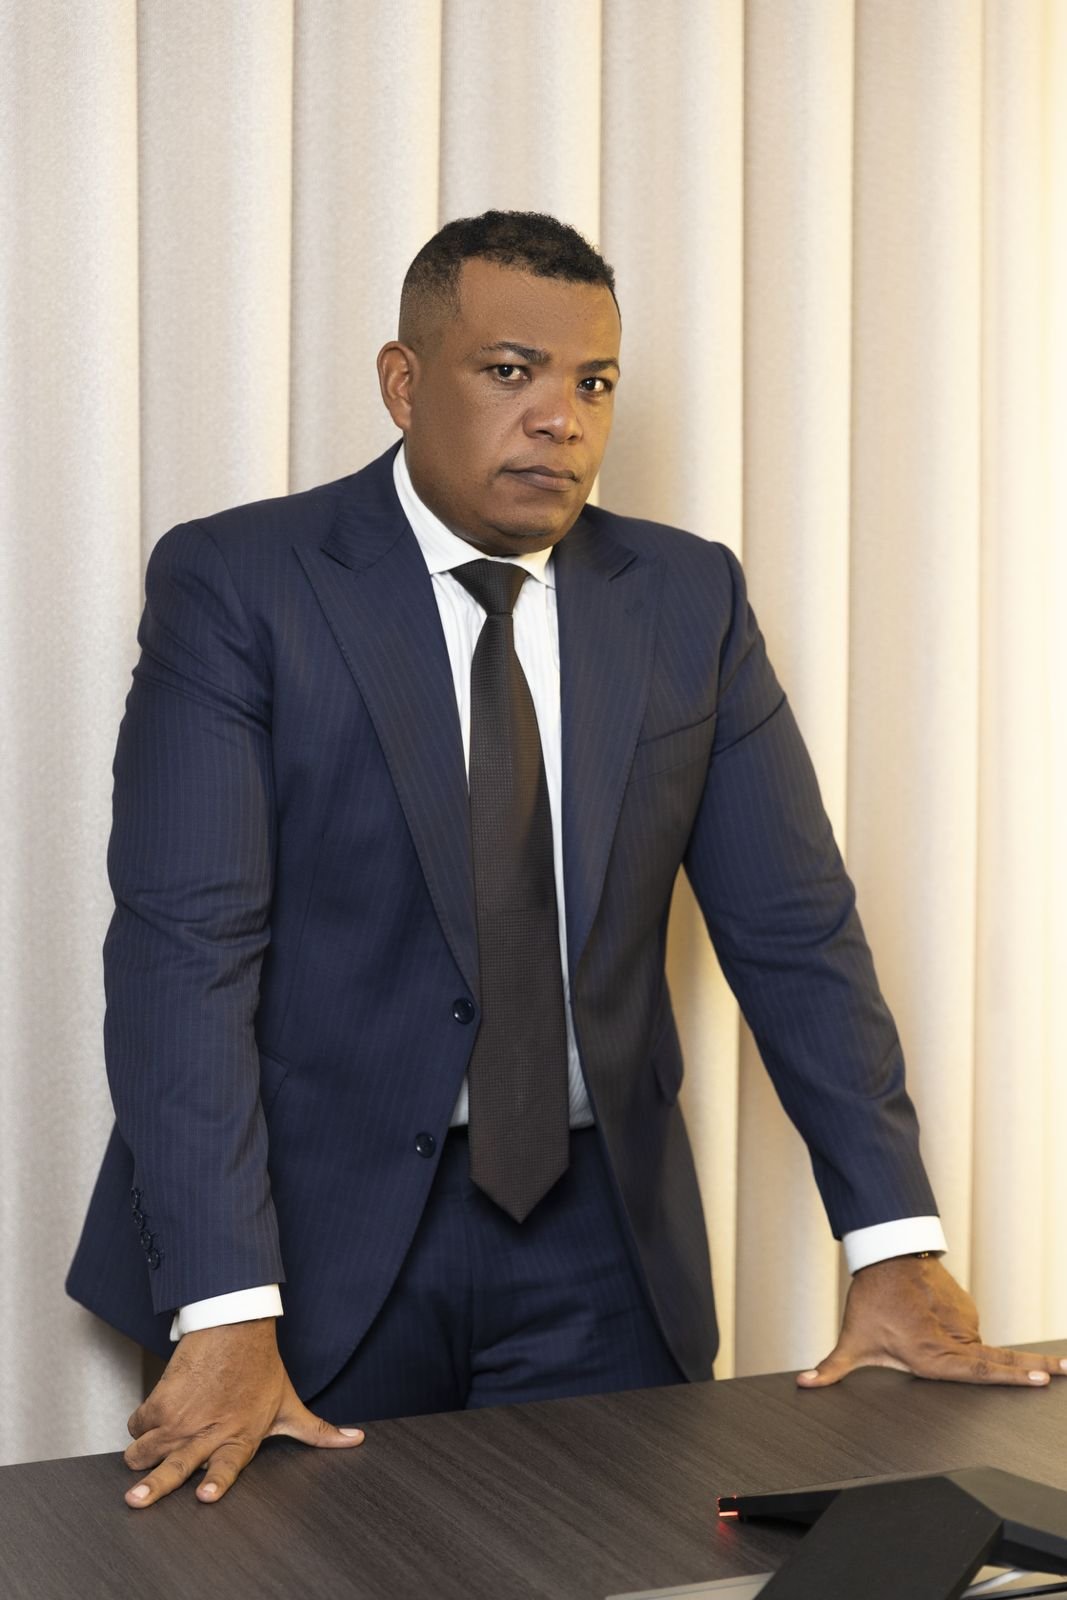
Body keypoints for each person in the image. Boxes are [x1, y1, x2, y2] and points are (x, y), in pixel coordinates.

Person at [67, 210, 1066, 1510]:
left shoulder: (687, 597)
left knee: (627, 1570)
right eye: (510, 371)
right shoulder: (242, 582)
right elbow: (182, 954)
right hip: (299, 1247)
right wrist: (223, 1302)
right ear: (404, 383)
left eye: (594, 383)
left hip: (604, 1253)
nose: (560, 419)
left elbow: (796, 933)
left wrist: (893, 1243)